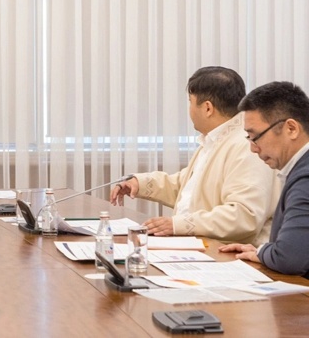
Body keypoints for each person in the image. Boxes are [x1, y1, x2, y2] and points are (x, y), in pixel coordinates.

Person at [110, 67, 278, 244]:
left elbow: (244, 216)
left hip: (226, 253)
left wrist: (177, 225)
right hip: (200, 246)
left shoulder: (246, 146)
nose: (189, 110)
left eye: (191, 102)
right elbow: (189, 189)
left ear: (207, 108)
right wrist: (140, 183)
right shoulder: (216, 139)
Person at [219, 82, 309, 277]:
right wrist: (265, 251)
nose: (253, 148)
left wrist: (263, 252)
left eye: (255, 136)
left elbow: (290, 258)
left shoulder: (305, 177)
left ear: (291, 128)